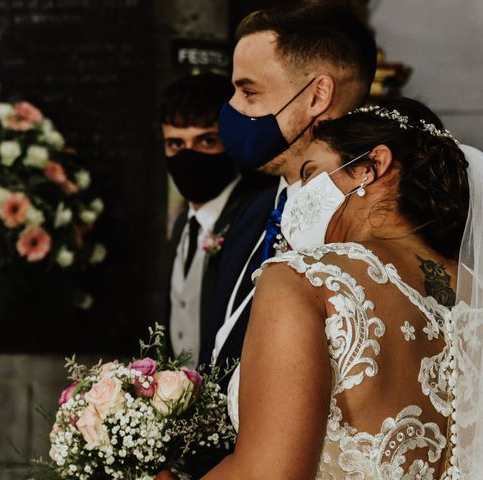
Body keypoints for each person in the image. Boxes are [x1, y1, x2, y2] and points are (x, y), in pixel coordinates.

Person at [204, 98, 473, 478]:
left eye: (310, 173)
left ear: (371, 167)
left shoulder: (305, 279)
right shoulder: (475, 290)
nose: (300, 195)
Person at [199, 3, 378, 383]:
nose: (230, 109)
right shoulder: (251, 208)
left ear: (317, 97)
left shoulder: (367, 228)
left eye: (249, 92)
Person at [159, 73, 268, 368]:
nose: (188, 156)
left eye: (206, 141)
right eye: (176, 145)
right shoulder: (183, 223)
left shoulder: (259, 216)